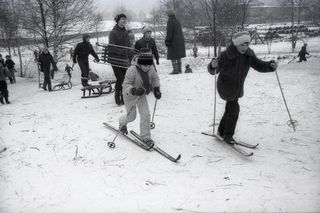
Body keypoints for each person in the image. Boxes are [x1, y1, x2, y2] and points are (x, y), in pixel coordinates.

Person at [207, 31, 278, 143]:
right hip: (225, 86)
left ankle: (221, 130)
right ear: (236, 44)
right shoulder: (226, 55)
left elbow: (259, 65)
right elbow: (215, 69)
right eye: (242, 45)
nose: (245, 47)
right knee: (234, 109)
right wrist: (212, 65)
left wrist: (269, 66)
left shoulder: (249, 55)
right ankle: (228, 135)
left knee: (230, 108)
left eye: (247, 44)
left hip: (237, 87)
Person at [119, 52, 161, 147]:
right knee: (131, 117)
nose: (147, 67)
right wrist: (133, 90)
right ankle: (122, 123)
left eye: (148, 65)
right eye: (144, 65)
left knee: (146, 114)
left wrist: (156, 89)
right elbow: (125, 85)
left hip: (141, 94)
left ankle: (146, 137)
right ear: (140, 63)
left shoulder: (151, 68)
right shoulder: (132, 70)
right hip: (130, 95)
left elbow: (155, 79)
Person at [109, 13, 131, 105]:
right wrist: (122, 52)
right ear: (118, 21)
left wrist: (130, 55)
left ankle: (123, 97)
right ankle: (117, 96)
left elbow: (128, 46)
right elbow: (112, 47)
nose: (124, 20)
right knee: (120, 78)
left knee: (124, 78)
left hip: (123, 59)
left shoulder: (126, 32)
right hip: (114, 59)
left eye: (125, 19)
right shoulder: (113, 33)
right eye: (122, 19)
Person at [165, 9, 186, 74]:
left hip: (173, 41)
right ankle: (179, 69)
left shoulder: (170, 21)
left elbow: (169, 33)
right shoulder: (177, 21)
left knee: (173, 56)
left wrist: (167, 41)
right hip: (179, 41)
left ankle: (175, 70)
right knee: (178, 56)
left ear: (169, 15)